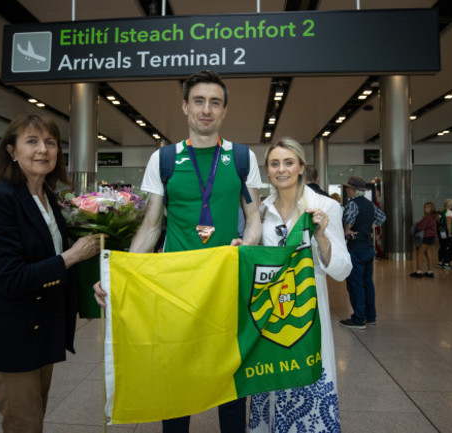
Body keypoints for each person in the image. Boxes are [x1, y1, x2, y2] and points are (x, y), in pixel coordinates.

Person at [94, 70, 262, 433]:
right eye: (199, 101)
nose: (206, 110)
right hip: (177, 287)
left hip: (225, 283)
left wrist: (246, 247)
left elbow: (253, 218)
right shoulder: (165, 159)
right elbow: (152, 226)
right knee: (176, 377)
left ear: (224, 111)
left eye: (215, 103)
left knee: (232, 377)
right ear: (185, 106)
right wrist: (117, 276)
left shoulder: (243, 158)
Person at [0, 114, 102, 433]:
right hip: (12, 334)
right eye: (32, 141)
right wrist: (72, 256)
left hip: (43, 328)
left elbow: (52, 257)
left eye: (50, 142)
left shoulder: (49, 199)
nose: (43, 149)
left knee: (35, 418)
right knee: (24, 424)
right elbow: (10, 277)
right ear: (12, 151)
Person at [248, 137, 351, 433]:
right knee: (269, 387)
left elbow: (343, 270)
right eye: (275, 163)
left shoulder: (325, 207)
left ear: (302, 167)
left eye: (288, 162)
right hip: (269, 319)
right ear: (267, 170)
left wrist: (321, 238)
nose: (282, 169)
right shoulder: (260, 211)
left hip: (308, 316)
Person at [339, 176, 386, 329]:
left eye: (348, 188)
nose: (347, 191)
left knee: (355, 284)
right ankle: (370, 316)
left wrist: (347, 230)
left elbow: (349, 218)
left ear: (353, 190)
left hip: (356, 248)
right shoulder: (370, 204)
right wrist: (368, 226)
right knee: (367, 283)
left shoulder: (352, 204)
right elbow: (382, 218)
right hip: (368, 247)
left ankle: (359, 318)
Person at [410, 201, 437, 278]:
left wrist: (416, 227)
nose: (425, 208)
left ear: (432, 208)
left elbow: (420, 227)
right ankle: (430, 271)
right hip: (431, 237)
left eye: (428, 207)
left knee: (420, 253)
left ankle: (419, 271)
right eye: (425, 207)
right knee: (428, 253)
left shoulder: (427, 217)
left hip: (426, 236)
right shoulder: (433, 217)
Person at [436, 198, 452, 269]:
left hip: (441, 232)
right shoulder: (449, 212)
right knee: (447, 246)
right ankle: (446, 263)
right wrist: (450, 232)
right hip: (446, 231)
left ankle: (440, 262)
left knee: (442, 246)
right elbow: (449, 223)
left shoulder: (441, 211)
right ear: (450, 205)